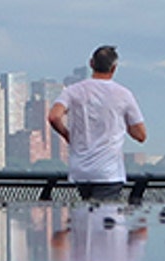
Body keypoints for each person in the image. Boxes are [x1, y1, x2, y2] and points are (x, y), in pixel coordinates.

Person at [47, 45, 146, 203]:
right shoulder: (124, 95)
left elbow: (53, 117)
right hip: (108, 173)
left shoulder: (73, 91)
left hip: (81, 171)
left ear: (91, 63)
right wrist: (121, 123)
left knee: (87, 217)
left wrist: (67, 135)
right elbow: (141, 135)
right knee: (103, 221)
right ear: (114, 68)